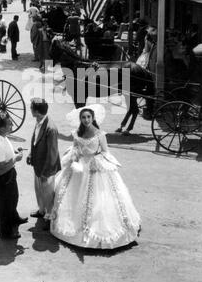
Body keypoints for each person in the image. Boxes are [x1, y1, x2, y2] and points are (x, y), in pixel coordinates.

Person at [50, 105, 141, 249]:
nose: (86, 120)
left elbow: (105, 152)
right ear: (80, 119)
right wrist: (75, 156)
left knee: (100, 199)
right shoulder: (77, 133)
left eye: (88, 117)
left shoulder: (100, 134)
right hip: (79, 167)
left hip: (94, 166)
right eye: (83, 117)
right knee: (73, 195)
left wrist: (96, 161)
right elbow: (74, 147)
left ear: (93, 118)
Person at [0, 113, 28, 240]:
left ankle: (14, 219)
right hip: (3, 178)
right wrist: (15, 159)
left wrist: (13, 152)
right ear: (1, 128)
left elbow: (5, 152)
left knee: (13, 199)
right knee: (5, 207)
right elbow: (0, 169)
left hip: (9, 174)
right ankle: (5, 233)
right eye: (9, 124)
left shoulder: (1, 135)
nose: (12, 125)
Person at [26, 99, 61, 231]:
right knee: (39, 190)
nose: (30, 109)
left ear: (36, 111)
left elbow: (52, 154)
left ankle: (49, 217)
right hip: (38, 165)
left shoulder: (51, 128)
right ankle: (41, 211)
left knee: (48, 194)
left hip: (46, 168)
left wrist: (47, 173)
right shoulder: (39, 121)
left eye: (31, 108)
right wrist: (30, 154)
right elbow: (35, 139)